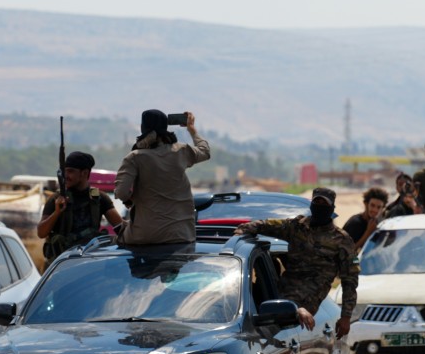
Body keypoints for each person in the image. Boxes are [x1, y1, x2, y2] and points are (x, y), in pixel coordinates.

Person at [234, 187, 359, 337]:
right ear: (311, 204)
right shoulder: (296, 227)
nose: (319, 206)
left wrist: (346, 317)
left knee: (266, 335)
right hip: (281, 292)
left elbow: (350, 280)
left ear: (332, 208)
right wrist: (244, 229)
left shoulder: (342, 240)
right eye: (316, 202)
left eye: (324, 204)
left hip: (308, 301)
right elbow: (268, 225)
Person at [115, 110, 211, 245]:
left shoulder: (135, 157)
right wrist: (192, 129)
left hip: (145, 237)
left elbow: (121, 192)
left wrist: (129, 201)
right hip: (182, 235)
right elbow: (205, 152)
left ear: (143, 128)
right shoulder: (181, 151)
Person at [37, 150, 123, 262]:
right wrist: (57, 212)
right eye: (64, 171)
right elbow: (41, 233)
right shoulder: (56, 199)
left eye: (70, 171)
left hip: (88, 263)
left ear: (85, 173)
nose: (66, 176)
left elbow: (121, 229)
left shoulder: (99, 198)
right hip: (62, 264)